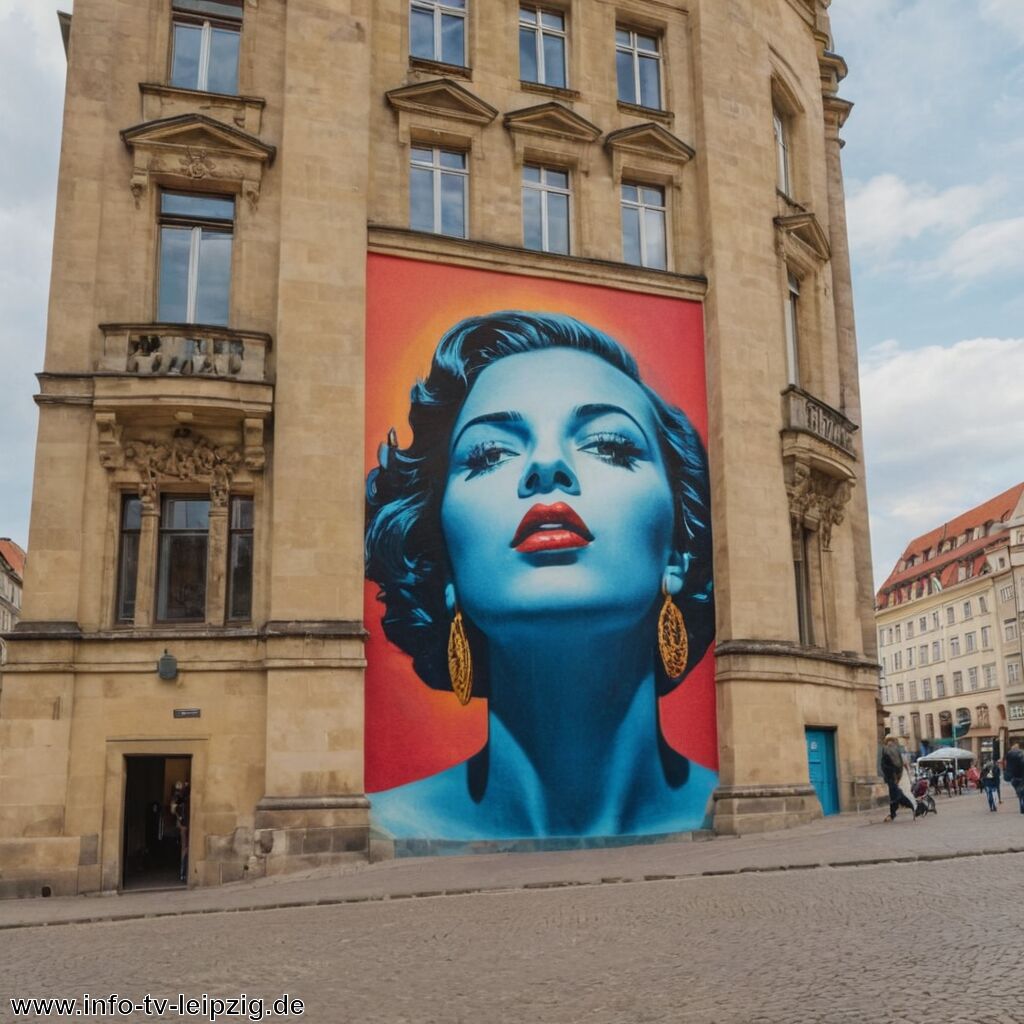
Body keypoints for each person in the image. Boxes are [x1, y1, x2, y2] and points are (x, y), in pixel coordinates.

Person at [365, 311, 715, 840]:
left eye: (610, 445)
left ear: (680, 548)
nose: (547, 464)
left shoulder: (739, 803)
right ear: (441, 562)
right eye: (487, 454)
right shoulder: (379, 827)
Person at [881, 736, 915, 821]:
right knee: (895, 795)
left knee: (897, 795)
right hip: (891, 776)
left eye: (890, 741)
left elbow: (898, 765)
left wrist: (897, 776)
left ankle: (912, 806)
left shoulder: (891, 751)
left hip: (893, 776)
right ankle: (894, 813)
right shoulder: (891, 750)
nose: (889, 743)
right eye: (888, 742)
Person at [169, 780, 190, 881]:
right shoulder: (178, 798)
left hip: (184, 823)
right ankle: (183, 874)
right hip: (183, 824)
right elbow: (173, 810)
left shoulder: (181, 798)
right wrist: (180, 818)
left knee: (185, 849)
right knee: (184, 849)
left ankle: (183, 873)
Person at [1006, 742, 1024, 814]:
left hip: (1014, 778)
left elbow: (1008, 768)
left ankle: (1022, 809)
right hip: (1021, 778)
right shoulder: (1022, 755)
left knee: (1020, 794)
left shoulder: (1009, 756)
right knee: (1022, 794)